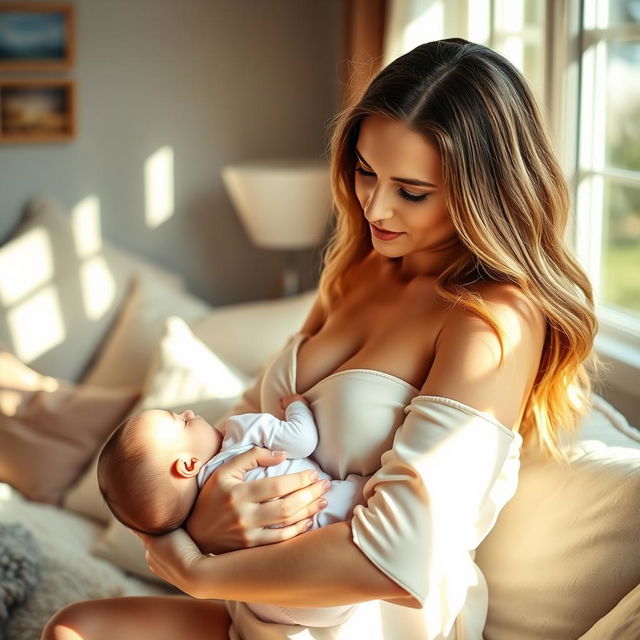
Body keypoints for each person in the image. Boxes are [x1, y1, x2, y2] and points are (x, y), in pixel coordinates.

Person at [42, 38, 597, 640]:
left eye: (411, 191)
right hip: (255, 614)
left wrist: (199, 571)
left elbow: (396, 558)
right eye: (365, 171)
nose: (375, 207)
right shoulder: (363, 269)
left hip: (349, 628)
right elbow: (239, 427)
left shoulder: (492, 321)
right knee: (74, 628)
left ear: (484, 193)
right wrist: (196, 522)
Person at [96, 397, 367, 627]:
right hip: (335, 525)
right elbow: (302, 440)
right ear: (188, 464)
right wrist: (297, 405)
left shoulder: (198, 526)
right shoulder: (238, 432)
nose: (189, 413)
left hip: (285, 596)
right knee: (361, 489)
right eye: (182, 421)